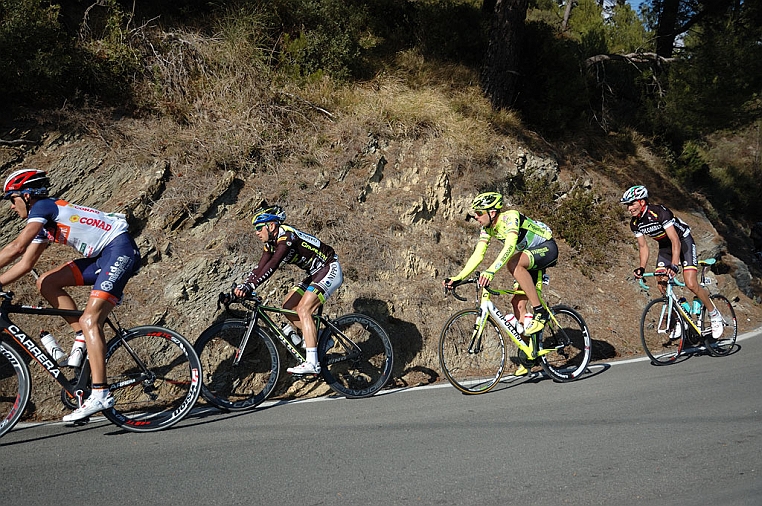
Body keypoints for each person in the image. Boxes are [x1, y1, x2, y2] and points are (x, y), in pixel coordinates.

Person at [0, 168, 141, 421]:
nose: (11, 206)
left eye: (12, 199)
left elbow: (16, 248)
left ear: (27, 195)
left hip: (119, 250)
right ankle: (81, 337)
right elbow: (25, 264)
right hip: (103, 256)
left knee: (91, 320)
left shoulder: (42, 207)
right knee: (46, 282)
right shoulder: (45, 219)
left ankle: (100, 393)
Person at [443, 192, 558, 376]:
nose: (476, 217)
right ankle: (530, 355)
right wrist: (457, 277)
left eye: (479, 213)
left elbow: (510, 247)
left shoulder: (510, 217)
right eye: (475, 214)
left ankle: (541, 312)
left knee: (513, 263)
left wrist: (491, 271)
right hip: (528, 257)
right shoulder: (487, 229)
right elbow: (478, 255)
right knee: (517, 304)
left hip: (546, 248)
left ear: (493, 212)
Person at [233, 205, 343, 375]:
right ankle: (320, 337)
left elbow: (273, 264)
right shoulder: (271, 243)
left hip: (329, 267)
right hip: (315, 273)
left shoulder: (287, 236)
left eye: (258, 228)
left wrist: (252, 286)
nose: (256, 232)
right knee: (288, 307)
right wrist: (245, 284)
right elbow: (260, 266)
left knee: (303, 309)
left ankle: (312, 363)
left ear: (271, 226)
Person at [620, 185, 723, 339]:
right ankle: (678, 317)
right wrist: (641, 268)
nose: (629, 209)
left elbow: (675, 240)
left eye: (631, 204)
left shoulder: (659, 212)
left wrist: (674, 265)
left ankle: (714, 314)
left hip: (683, 241)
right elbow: (643, 246)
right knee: (661, 282)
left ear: (641, 202)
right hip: (665, 247)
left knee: (691, 284)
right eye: (627, 205)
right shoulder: (635, 223)